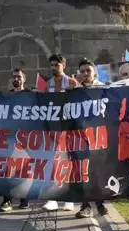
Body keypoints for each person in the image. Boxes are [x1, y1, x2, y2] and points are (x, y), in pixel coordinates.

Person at [72, 59, 109, 218]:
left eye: (88, 70)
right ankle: (85, 205)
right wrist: (73, 89)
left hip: (99, 135)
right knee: (82, 171)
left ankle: (100, 203)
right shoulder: (74, 89)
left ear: (94, 72)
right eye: (82, 71)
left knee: (98, 171)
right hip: (80, 136)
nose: (85, 74)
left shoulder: (104, 88)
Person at [42, 54, 79, 212]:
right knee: (53, 161)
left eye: (56, 65)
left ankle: (69, 199)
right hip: (53, 128)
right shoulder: (48, 84)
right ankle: (53, 198)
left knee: (68, 162)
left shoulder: (71, 82)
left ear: (63, 65)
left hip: (69, 127)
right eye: (51, 65)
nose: (53, 68)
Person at [0, 68, 31, 212]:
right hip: (10, 137)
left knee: (25, 168)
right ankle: (7, 200)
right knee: (8, 168)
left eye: (18, 76)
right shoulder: (6, 96)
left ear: (24, 79)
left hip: (26, 137)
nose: (16, 79)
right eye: (13, 77)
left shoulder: (31, 95)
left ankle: (24, 199)